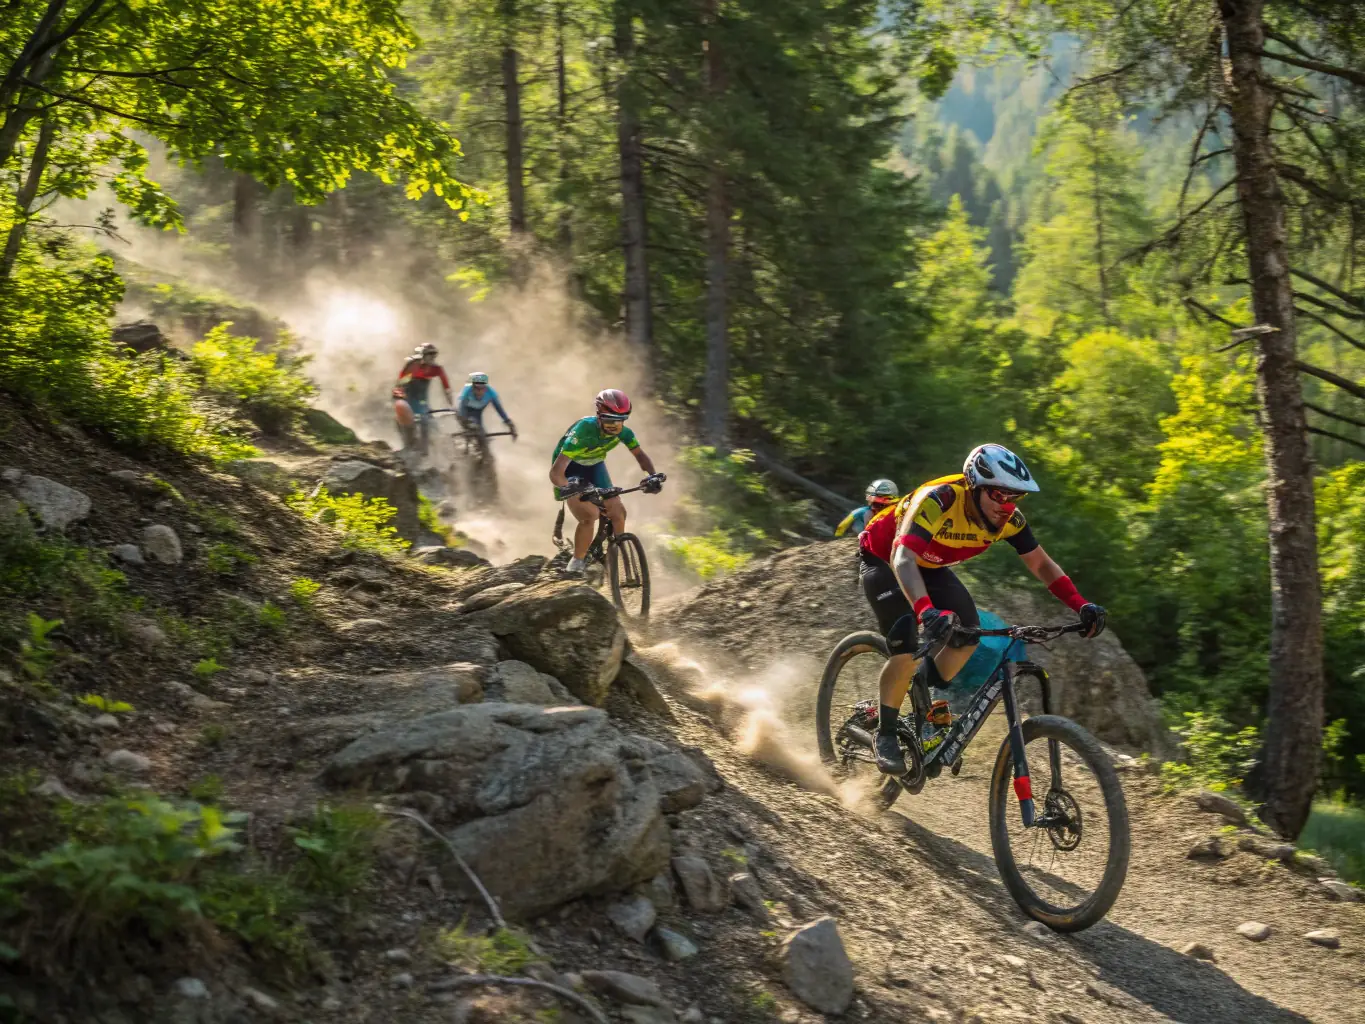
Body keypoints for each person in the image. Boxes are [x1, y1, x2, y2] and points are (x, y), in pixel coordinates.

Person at [857, 443, 1107, 775]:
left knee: (967, 635)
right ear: (975, 487)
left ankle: (922, 706)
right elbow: (902, 559)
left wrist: (1082, 604)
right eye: (1000, 495)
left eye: (1015, 496)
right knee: (907, 646)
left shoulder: (1010, 521)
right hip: (885, 557)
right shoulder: (939, 500)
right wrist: (925, 611)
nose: (1007, 506)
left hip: (930, 564)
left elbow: (1042, 565)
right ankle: (886, 733)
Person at [549, 389, 662, 575]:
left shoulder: (624, 433)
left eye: (620, 420)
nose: (614, 425)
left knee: (618, 511)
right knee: (589, 515)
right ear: (599, 416)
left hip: (594, 466)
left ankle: (618, 555)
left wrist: (653, 475)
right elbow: (555, 472)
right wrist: (570, 488)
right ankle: (576, 563)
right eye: (609, 419)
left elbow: (640, 455)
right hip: (571, 471)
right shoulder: (583, 430)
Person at [394, 343, 453, 454]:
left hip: (421, 400)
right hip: (409, 396)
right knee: (416, 421)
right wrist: (400, 394)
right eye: (428, 354)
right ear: (422, 355)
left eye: (433, 354)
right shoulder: (412, 366)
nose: (432, 357)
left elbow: (446, 388)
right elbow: (400, 383)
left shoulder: (437, 369)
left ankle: (433, 450)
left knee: (431, 424)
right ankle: (415, 448)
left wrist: (451, 405)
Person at [457, 371, 516, 439]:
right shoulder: (467, 393)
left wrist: (508, 422)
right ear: (472, 388)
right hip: (466, 409)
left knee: (481, 432)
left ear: (486, 388)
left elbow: (499, 409)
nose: (479, 392)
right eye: (477, 389)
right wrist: (465, 422)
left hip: (478, 411)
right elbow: (462, 409)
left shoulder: (491, 394)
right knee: (467, 425)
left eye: (482, 389)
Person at [834, 479, 900, 537]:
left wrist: (838, 536)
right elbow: (842, 525)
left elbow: (842, 525)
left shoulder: (863, 511)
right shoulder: (897, 509)